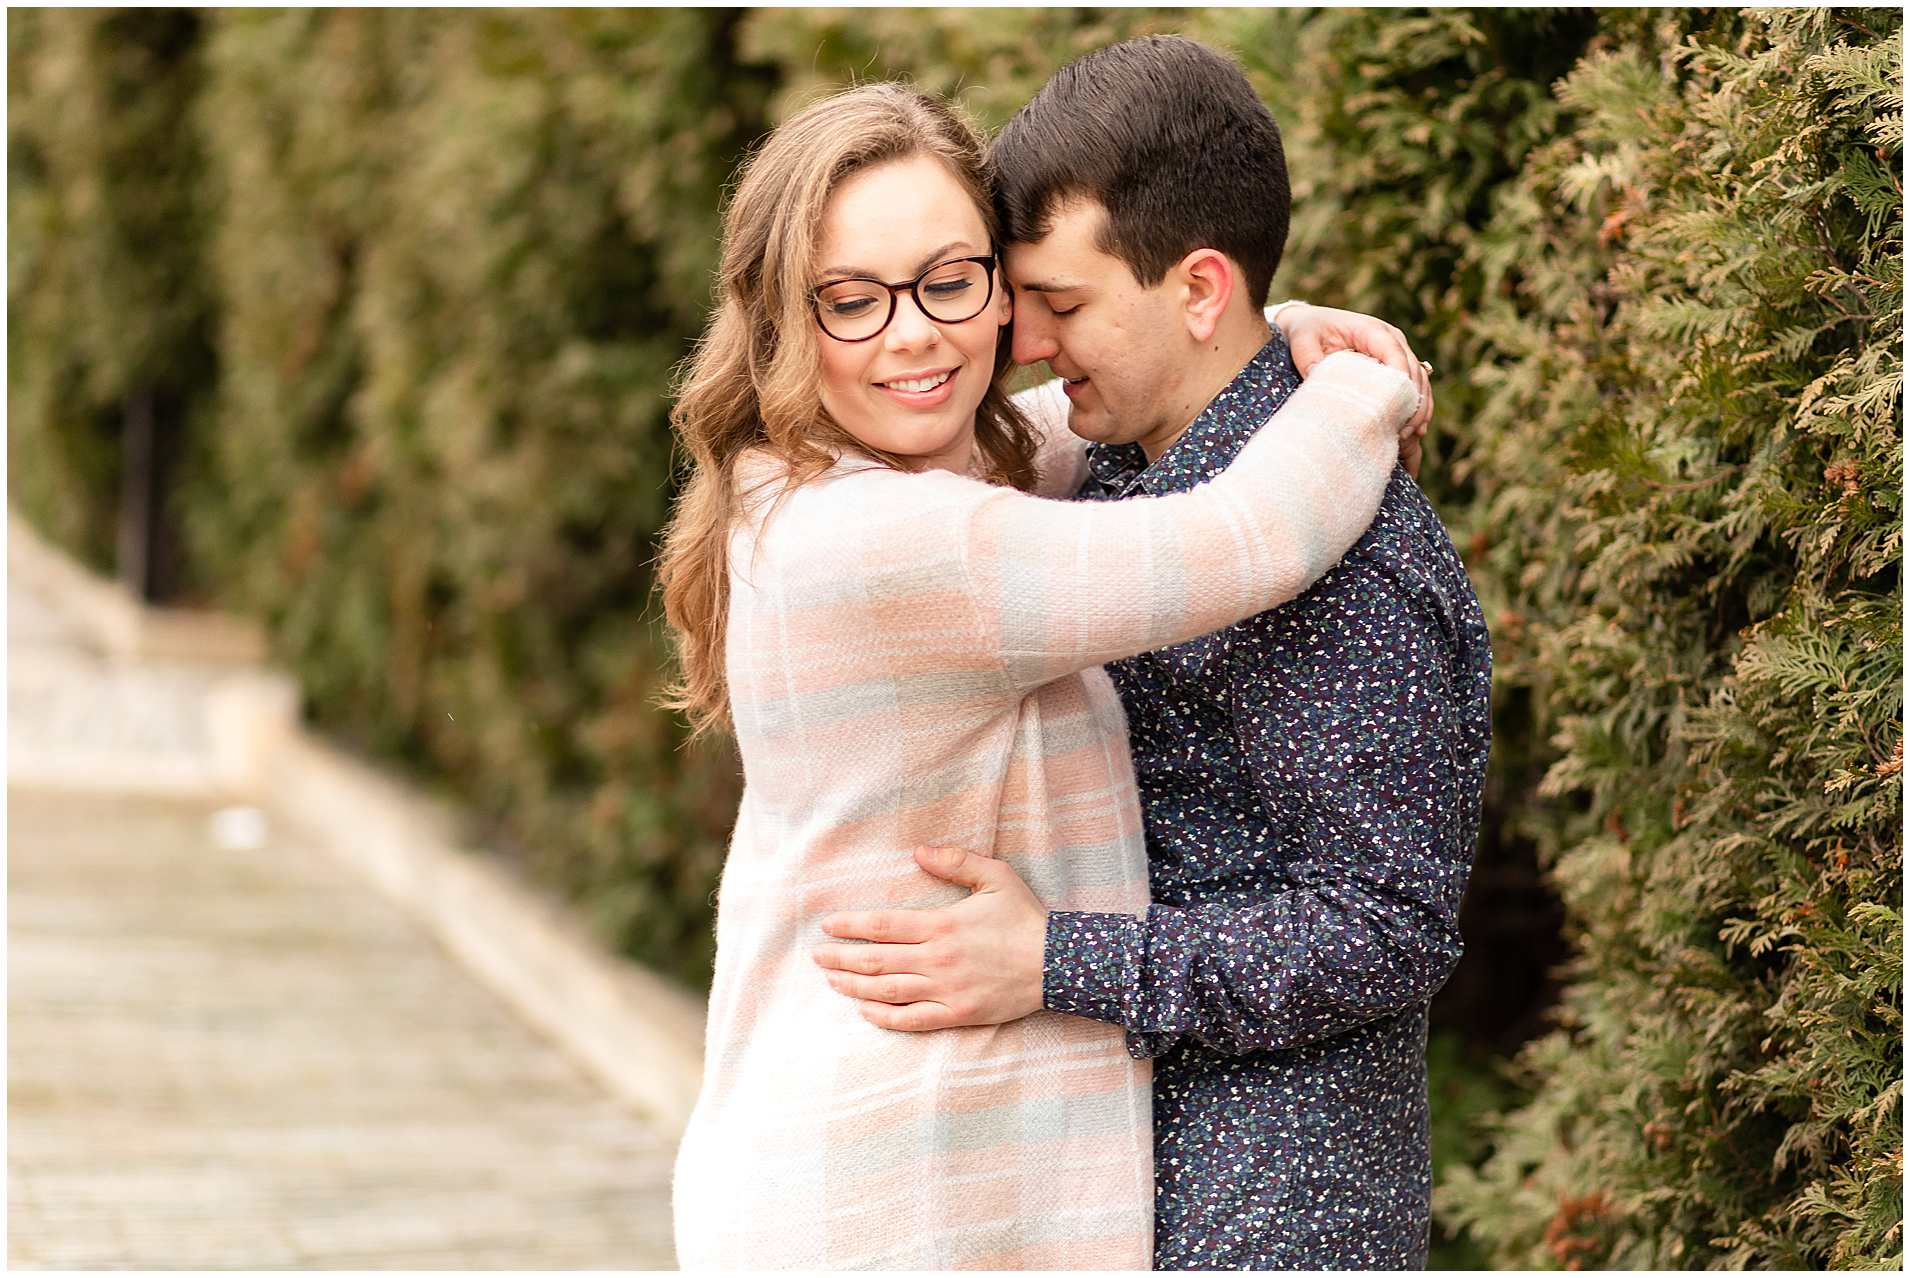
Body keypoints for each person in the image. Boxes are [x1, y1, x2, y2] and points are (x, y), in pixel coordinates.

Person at [659, 80, 1426, 1270]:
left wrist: (1266, 335)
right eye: (848, 301)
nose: (912, 333)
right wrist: (1364, 387)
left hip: (891, 1170)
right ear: (779, 321)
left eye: (951, 282)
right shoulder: (891, 546)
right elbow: (1245, 538)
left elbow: (1086, 416)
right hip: (893, 1199)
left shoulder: (852, 484)